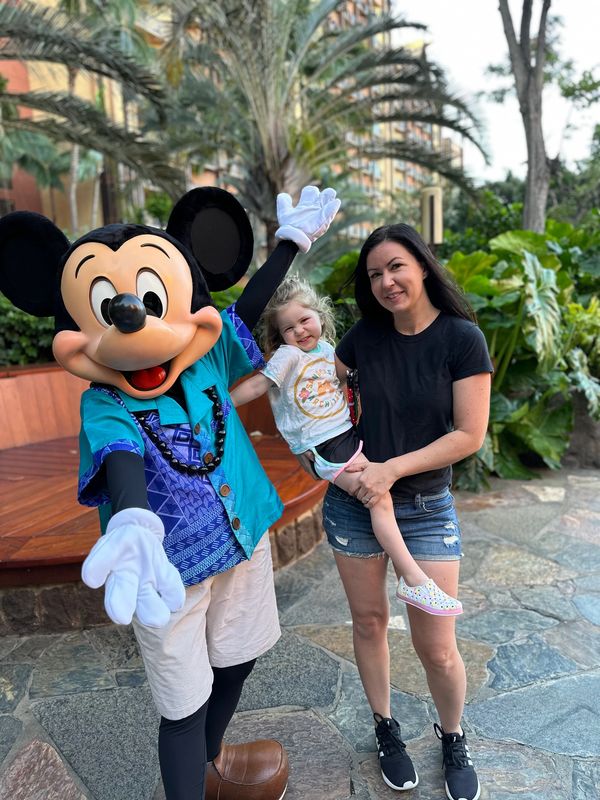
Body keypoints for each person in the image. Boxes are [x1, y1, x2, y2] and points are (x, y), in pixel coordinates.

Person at [323, 224, 492, 800]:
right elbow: (318, 399)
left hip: (423, 504)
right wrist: (336, 461)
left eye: (395, 267)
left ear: (421, 266)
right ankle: (385, 728)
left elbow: (469, 434)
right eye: (374, 274)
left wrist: (391, 469)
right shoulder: (361, 341)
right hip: (355, 505)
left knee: (437, 645)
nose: (386, 281)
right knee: (369, 622)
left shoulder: (461, 339)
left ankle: (453, 735)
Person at [231, 275, 462, 617]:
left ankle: (412, 578)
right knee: (378, 497)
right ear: (281, 336)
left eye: (305, 320)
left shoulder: (327, 351)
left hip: (345, 437)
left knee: (380, 496)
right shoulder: (288, 356)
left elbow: (340, 382)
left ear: (320, 316)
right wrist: (217, 404)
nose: (300, 331)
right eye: (289, 328)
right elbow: (256, 388)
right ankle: (412, 578)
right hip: (324, 443)